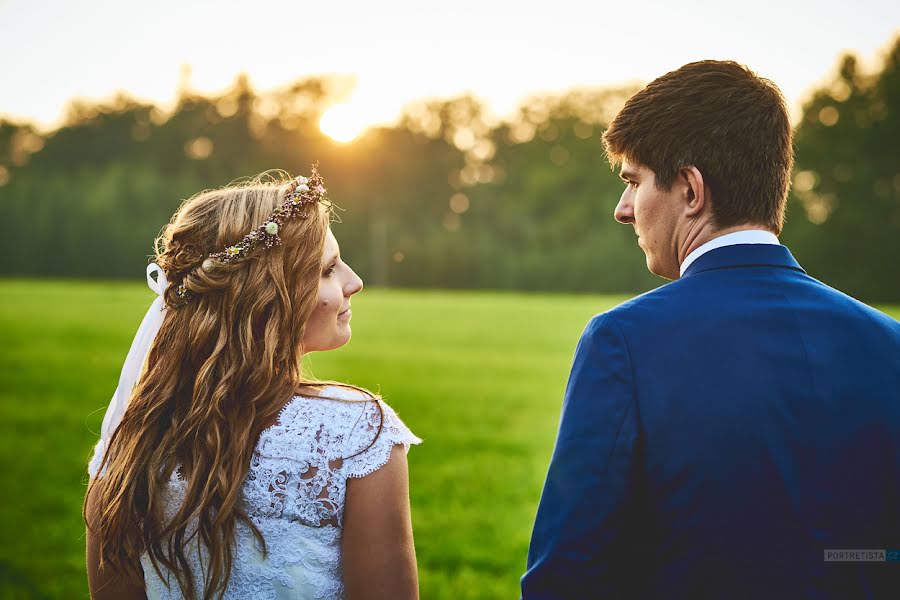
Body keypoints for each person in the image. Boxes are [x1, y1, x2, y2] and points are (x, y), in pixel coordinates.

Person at [522, 61, 900, 598]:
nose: (622, 209)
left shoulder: (624, 341)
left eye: (633, 182)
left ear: (691, 191)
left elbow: (567, 573)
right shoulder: (891, 344)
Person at [84, 168, 421, 600]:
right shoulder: (354, 435)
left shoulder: (129, 446)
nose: (353, 282)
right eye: (327, 270)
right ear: (265, 297)